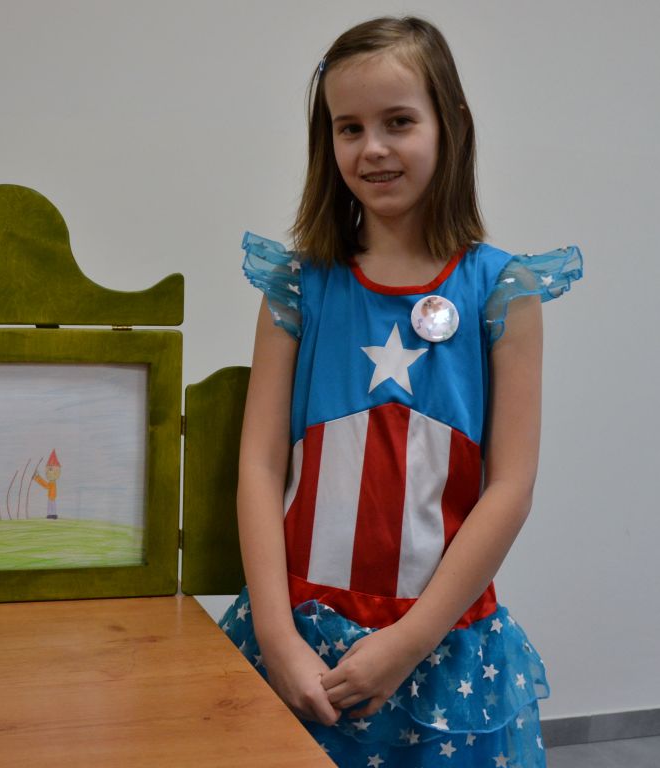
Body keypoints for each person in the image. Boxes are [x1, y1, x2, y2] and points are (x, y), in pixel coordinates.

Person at [221, 16, 582, 767]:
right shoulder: (298, 286)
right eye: (348, 128)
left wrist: (407, 643)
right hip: (302, 639)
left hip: (442, 649)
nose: (373, 148)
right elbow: (259, 465)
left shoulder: (503, 292)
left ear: (451, 124)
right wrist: (279, 640)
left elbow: (509, 487)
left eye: (398, 122)